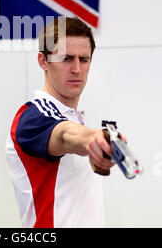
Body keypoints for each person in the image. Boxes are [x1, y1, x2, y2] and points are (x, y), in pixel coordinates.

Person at [6, 16, 117, 228]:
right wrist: (94, 137)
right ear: (43, 61)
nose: (77, 69)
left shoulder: (74, 119)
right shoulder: (32, 118)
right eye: (66, 59)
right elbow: (65, 135)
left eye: (83, 59)